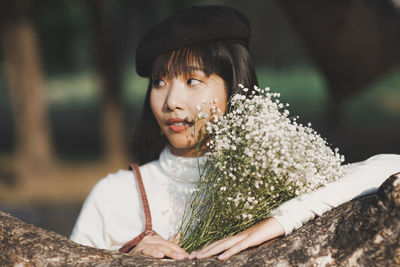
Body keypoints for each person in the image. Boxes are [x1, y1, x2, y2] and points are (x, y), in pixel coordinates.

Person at [70, 5, 400, 261]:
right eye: (159, 83)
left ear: (234, 89)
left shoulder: (278, 179)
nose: (171, 102)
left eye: (192, 81)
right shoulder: (114, 196)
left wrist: (281, 219)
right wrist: (122, 261)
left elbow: (391, 166)